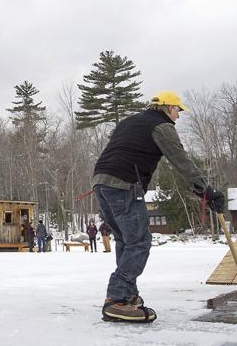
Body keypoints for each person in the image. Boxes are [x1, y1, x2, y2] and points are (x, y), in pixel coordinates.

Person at [92, 91, 224, 324]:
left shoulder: (130, 121)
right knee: (139, 241)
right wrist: (206, 192)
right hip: (125, 185)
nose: (178, 115)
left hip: (101, 182)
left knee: (126, 240)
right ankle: (117, 298)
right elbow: (181, 161)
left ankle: (128, 294)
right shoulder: (161, 126)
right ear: (166, 108)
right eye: (177, 110)